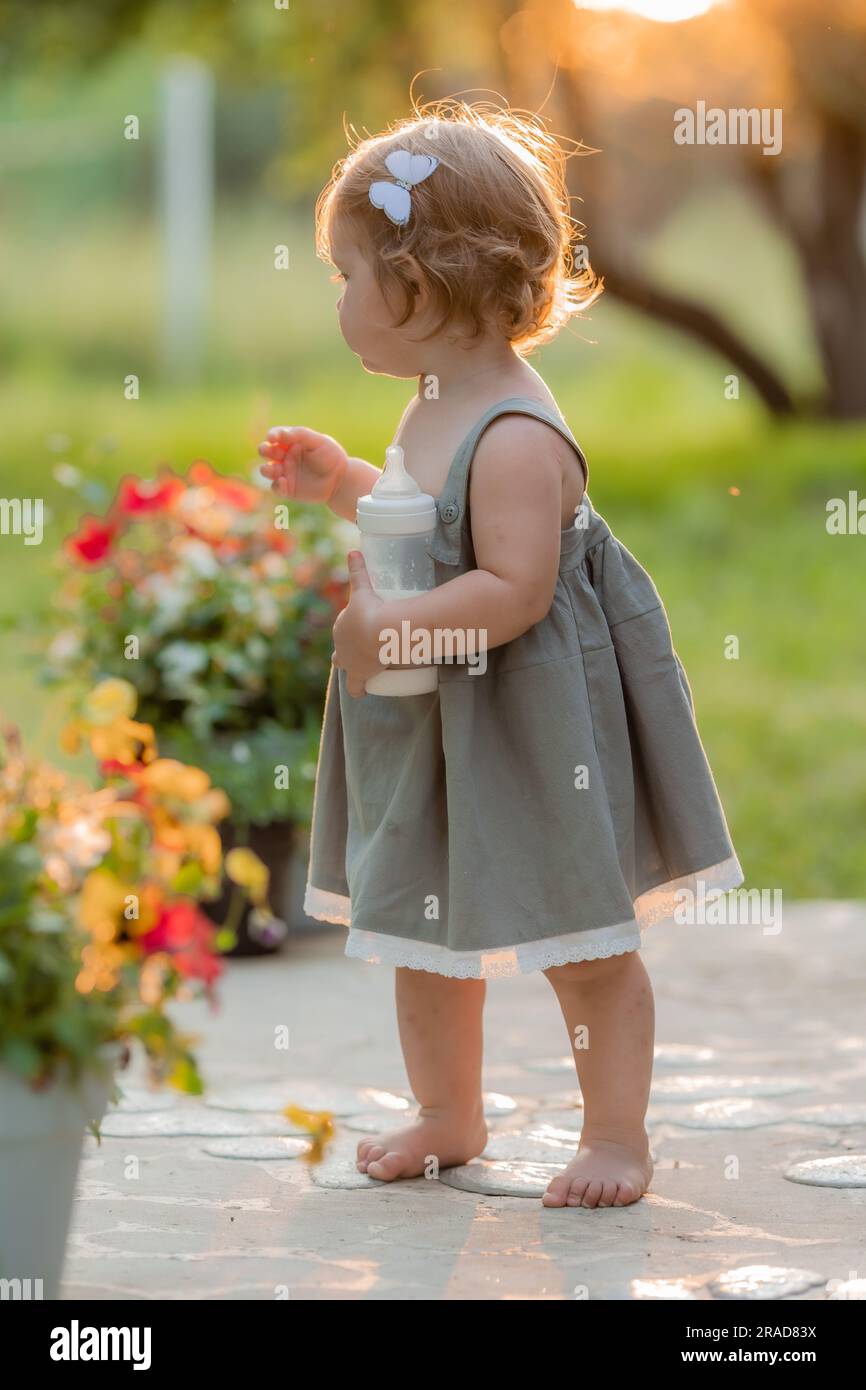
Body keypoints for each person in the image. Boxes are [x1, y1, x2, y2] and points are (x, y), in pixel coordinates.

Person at [259, 99, 742, 1209]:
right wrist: (342, 482)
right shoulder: (437, 402)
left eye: (344, 275)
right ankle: (447, 1112)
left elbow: (515, 592)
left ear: (416, 289)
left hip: (529, 726)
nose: (334, 298)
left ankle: (614, 1134)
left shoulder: (516, 435)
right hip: (435, 717)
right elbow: (414, 519)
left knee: (578, 930)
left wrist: (393, 629)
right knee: (421, 931)